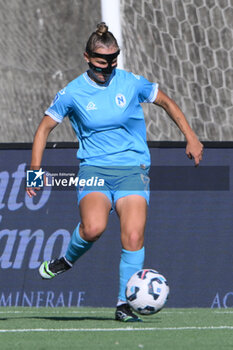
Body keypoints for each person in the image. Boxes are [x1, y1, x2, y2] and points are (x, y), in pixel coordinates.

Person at [26, 22, 203, 322]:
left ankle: (123, 304)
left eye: (113, 61)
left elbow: (166, 102)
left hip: (132, 169)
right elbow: (44, 128)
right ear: (86, 57)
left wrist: (191, 136)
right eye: (100, 62)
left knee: (133, 236)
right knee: (93, 229)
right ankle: (67, 260)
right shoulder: (72, 92)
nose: (107, 68)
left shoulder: (131, 83)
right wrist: (34, 171)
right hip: (94, 169)